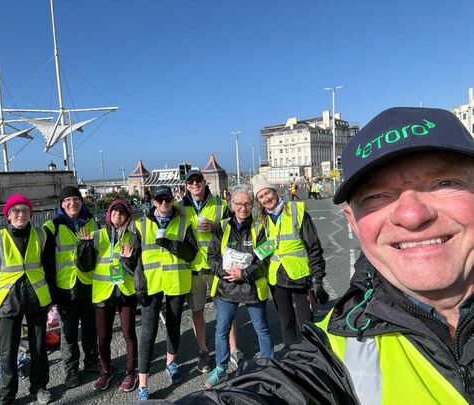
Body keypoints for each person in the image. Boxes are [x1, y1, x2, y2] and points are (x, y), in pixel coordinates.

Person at [174, 106, 474, 404]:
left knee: (277, 327)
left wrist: (315, 279)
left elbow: (310, 247)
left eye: (443, 183)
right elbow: (287, 385)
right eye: (377, 196)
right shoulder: (345, 337)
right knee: (286, 328)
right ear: (352, 222)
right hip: (257, 284)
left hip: (291, 280)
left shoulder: (290, 213)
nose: (411, 214)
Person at [0, 194, 54, 404]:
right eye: (15, 211)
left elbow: (49, 268)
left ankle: (39, 387)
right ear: (8, 216)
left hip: (37, 297)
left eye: (24, 211)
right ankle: (7, 394)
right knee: (7, 351)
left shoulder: (41, 235)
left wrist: (51, 297)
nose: (20, 214)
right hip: (7, 301)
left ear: (31, 214)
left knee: (39, 348)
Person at [204, 185, 273, 388]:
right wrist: (225, 272)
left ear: (252, 205)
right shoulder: (222, 226)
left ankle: (268, 366)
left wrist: (244, 273)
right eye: (239, 203)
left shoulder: (260, 226)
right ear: (231, 205)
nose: (243, 208)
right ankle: (221, 367)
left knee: (262, 328)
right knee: (222, 328)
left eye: (248, 203)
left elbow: (264, 254)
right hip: (227, 286)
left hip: (251, 286)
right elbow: (212, 255)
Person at [134, 185, 198, 401]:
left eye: (167, 200)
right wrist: (138, 286)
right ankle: (143, 384)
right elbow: (133, 260)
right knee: (147, 333)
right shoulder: (140, 225)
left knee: (173, 325)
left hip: (176, 282)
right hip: (151, 286)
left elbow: (191, 253)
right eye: (159, 200)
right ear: (153, 202)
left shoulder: (184, 222)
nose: (163, 204)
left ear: (173, 200)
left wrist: (171, 244)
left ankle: (171, 363)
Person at [252, 173, 327, 346]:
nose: (266, 199)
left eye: (267, 193)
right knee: (286, 322)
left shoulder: (296, 210)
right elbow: (262, 252)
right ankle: (291, 358)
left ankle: (312, 358)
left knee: (306, 323)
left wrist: (317, 278)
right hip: (277, 280)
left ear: (274, 191)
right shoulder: (261, 221)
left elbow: (314, 247)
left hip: (300, 277)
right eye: (261, 197)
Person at [177, 170, 239, 373]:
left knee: (226, 310)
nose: (195, 184)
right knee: (197, 312)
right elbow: (159, 215)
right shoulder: (180, 208)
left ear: (205, 183)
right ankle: (203, 351)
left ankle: (233, 350)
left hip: (217, 266)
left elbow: (235, 228)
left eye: (198, 180)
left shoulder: (220, 204)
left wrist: (216, 226)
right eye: (190, 182)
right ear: (186, 186)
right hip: (193, 267)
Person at [77, 198, 139, 392]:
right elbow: (85, 266)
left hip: (125, 290)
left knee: (128, 332)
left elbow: (134, 266)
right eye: (114, 213)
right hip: (103, 291)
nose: (117, 216)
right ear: (109, 215)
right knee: (103, 336)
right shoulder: (98, 235)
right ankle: (106, 371)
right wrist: (84, 246)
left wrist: (128, 261)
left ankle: (131, 372)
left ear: (128, 217)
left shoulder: (132, 237)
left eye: (122, 213)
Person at [43, 185, 99, 389]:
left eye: (76, 199)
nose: (72, 203)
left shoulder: (92, 221)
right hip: (65, 287)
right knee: (68, 333)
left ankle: (92, 362)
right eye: (67, 200)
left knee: (90, 328)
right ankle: (71, 371)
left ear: (81, 201)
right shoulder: (53, 226)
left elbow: (100, 252)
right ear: (61, 204)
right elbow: (47, 262)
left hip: (89, 283)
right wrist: (50, 291)